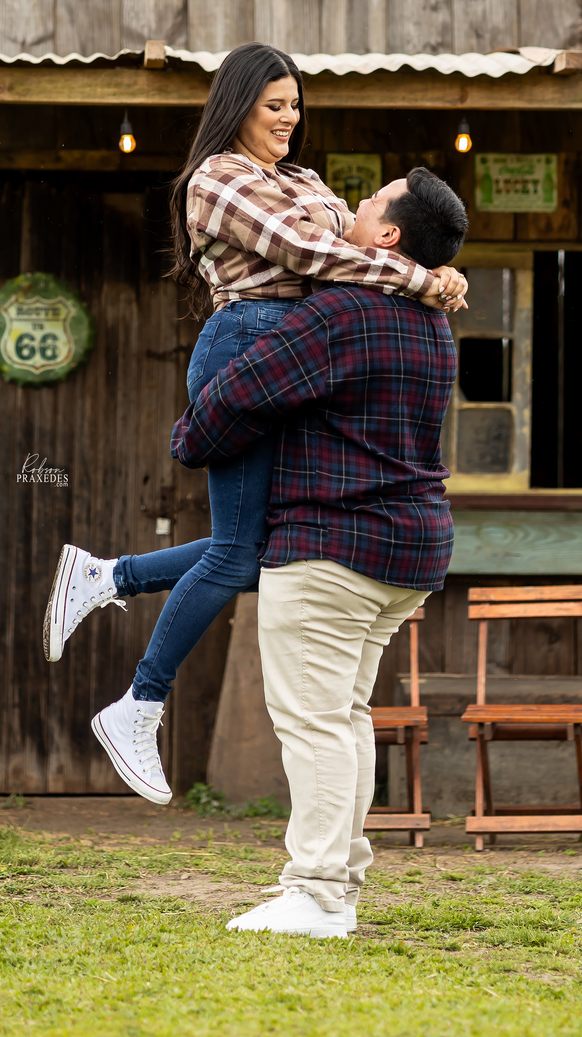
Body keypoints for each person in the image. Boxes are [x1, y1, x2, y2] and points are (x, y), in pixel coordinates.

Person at [42, 42, 466, 805]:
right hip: (247, 339)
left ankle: (107, 577)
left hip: (294, 341)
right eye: (275, 105)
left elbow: (357, 236)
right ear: (238, 105)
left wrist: (441, 269)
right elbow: (307, 249)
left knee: (267, 541)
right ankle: (138, 704)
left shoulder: (301, 179)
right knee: (242, 553)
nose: (288, 119)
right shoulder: (217, 180)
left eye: (295, 106)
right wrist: (418, 277)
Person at [172, 166, 468, 939]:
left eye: (367, 205)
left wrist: (188, 440)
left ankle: (315, 891)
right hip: (410, 553)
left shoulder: (342, 312)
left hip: (332, 546)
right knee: (345, 717)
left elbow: (238, 395)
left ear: (389, 237)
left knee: (314, 724)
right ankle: (339, 882)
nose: (351, 210)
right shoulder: (432, 319)